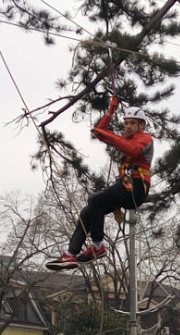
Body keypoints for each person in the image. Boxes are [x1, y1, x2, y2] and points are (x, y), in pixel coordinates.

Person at [46, 97, 154, 271]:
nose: (128, 127)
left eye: (133, 123)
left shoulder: (145, 139)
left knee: (95, 200)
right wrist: (110, 112)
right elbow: (99, 130)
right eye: (126, 123)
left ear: (142, 125)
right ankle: (70, 254)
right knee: (88, 212)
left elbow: (132, 150)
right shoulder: (125, 139)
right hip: (126, 188)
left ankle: (97, 247)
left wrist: (110, 138)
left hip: (136, 187)